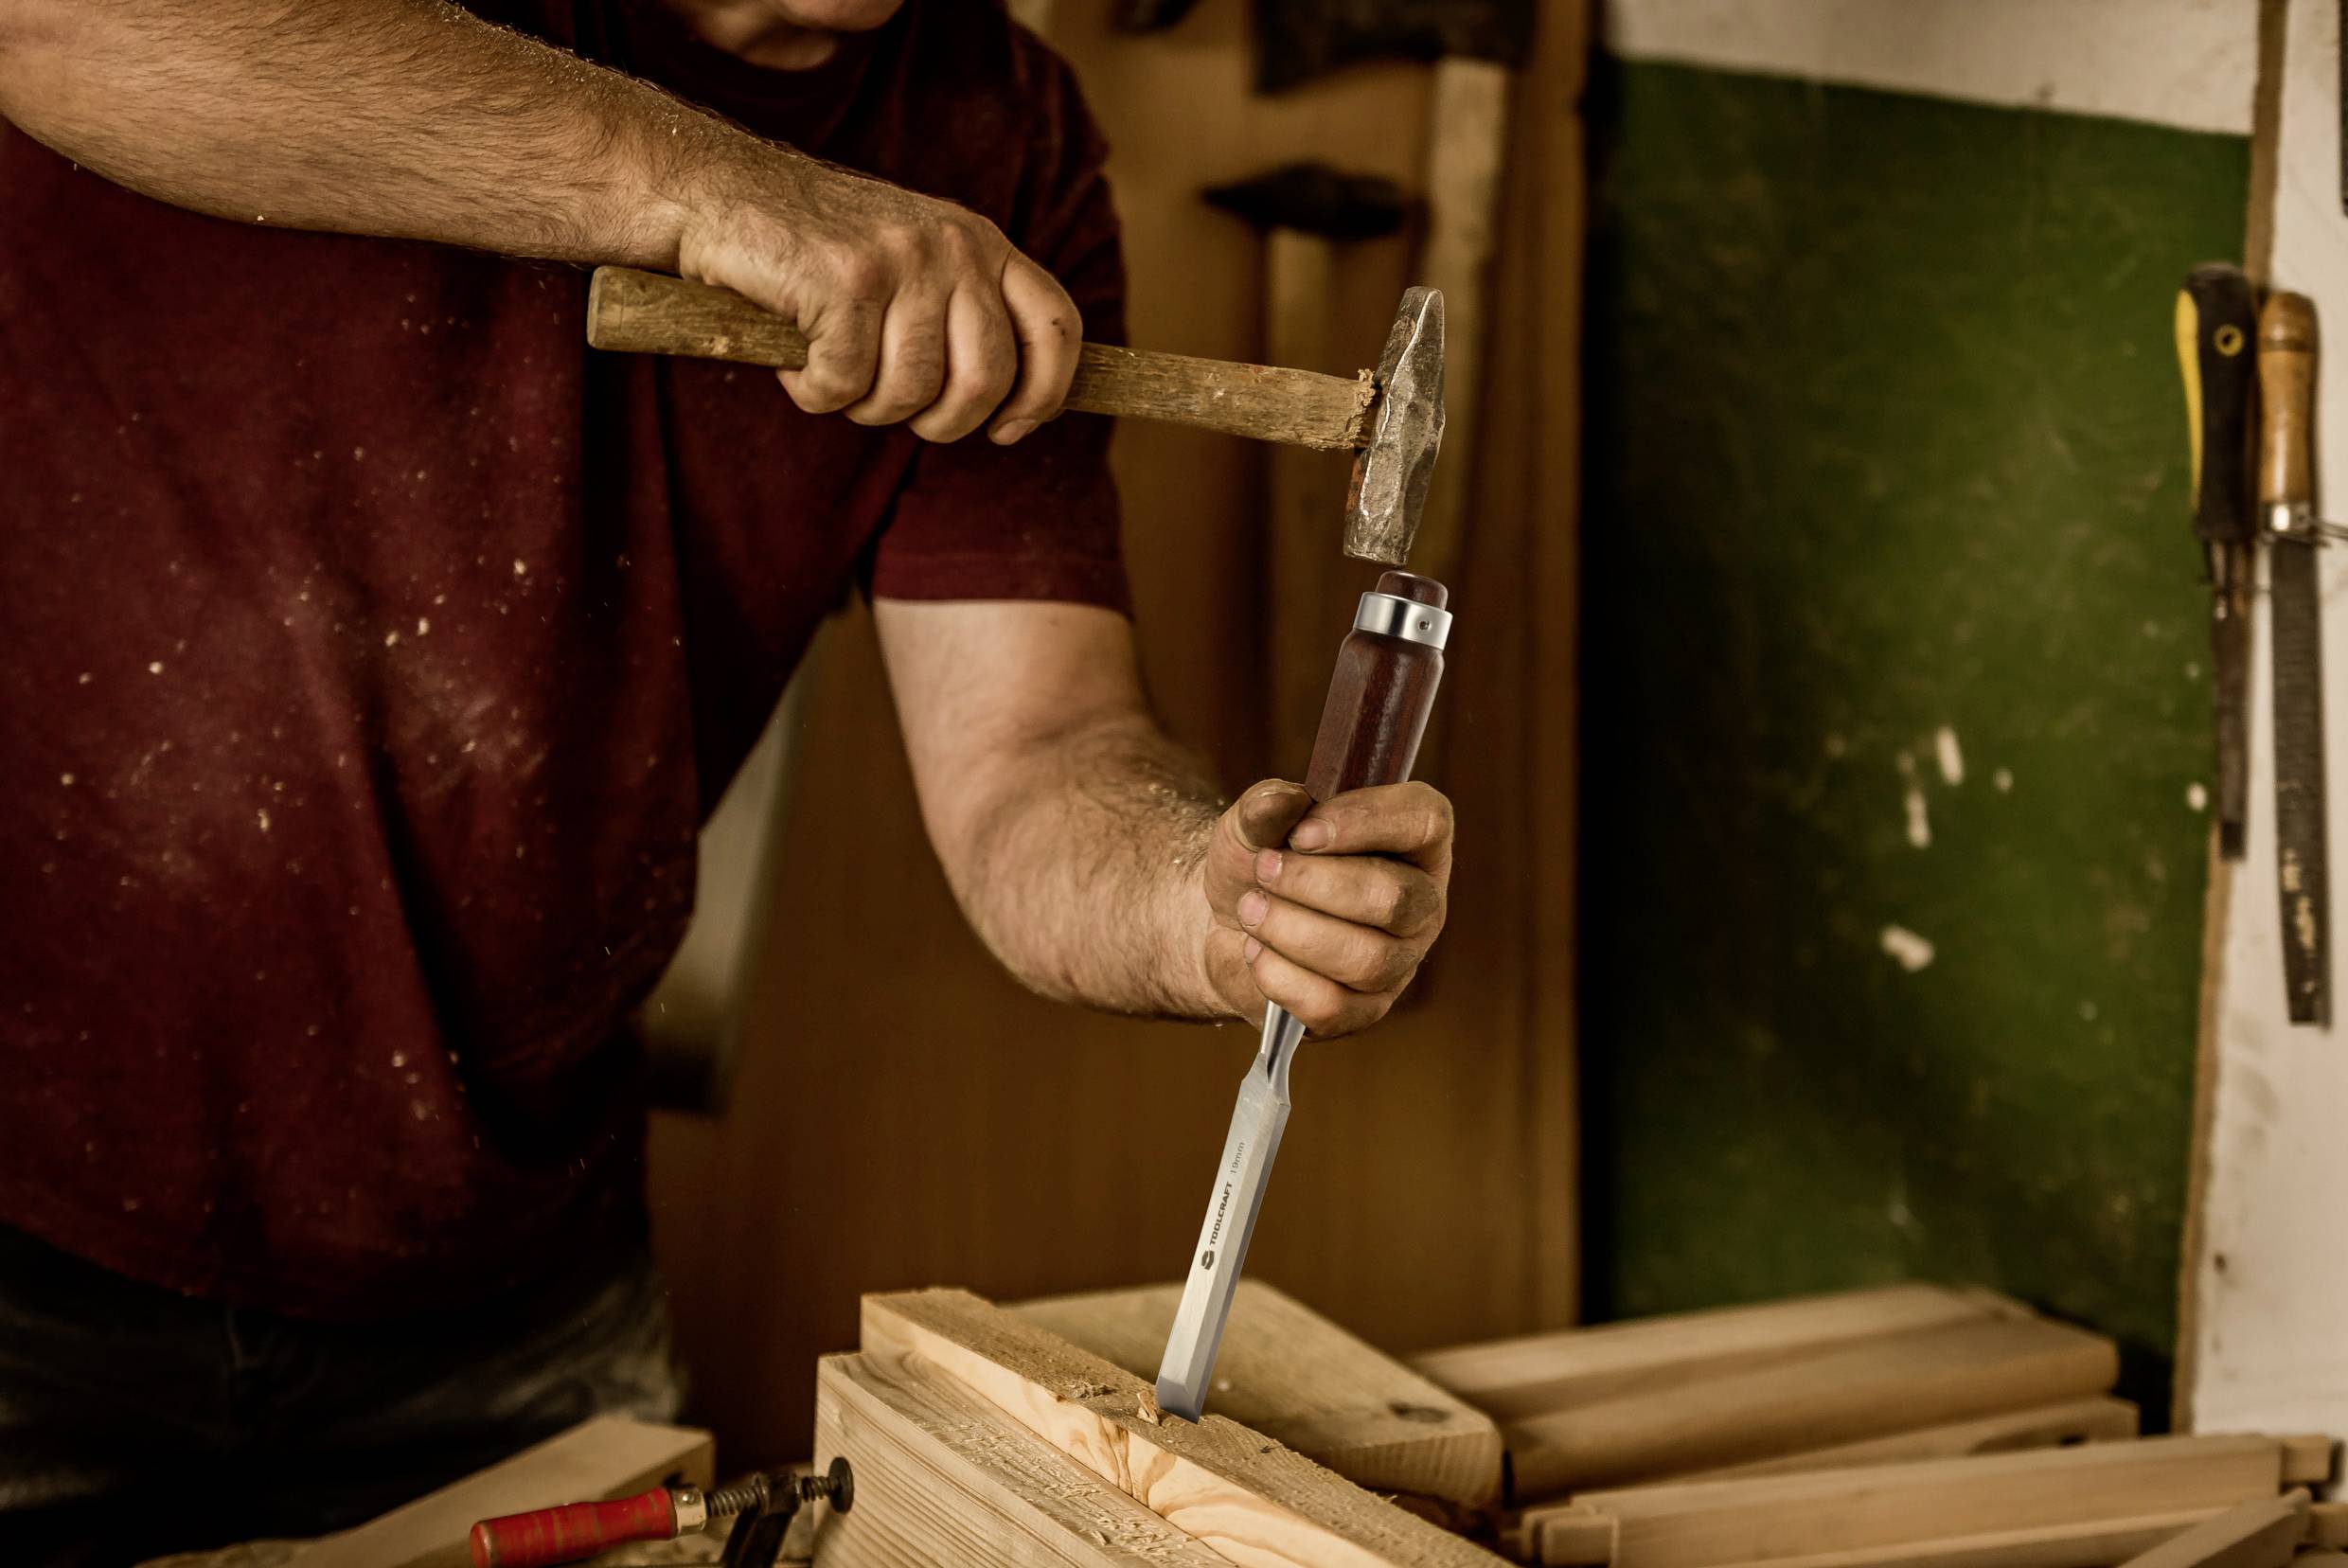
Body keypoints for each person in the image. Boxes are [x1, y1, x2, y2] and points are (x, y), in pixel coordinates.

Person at [0, 0, 1455, 1556]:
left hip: (510, 1282)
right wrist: (726, 191)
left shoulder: (991, 147)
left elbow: (1030, 754)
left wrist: (1205, 908)